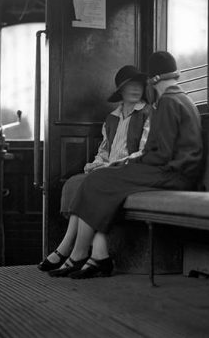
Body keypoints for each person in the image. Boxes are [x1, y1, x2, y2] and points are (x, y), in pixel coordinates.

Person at [49, 51, 203, 279]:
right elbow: (162, 151)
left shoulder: (168, 103)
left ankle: (82, 255)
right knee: (99, 180)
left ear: (153, 80)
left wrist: (130, 163)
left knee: (99, 181)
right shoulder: (180, 99)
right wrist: (128, 163)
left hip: (172, 174)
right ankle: (95, 255)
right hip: (174, 171)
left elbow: (160, 154)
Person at [38, 65, 152, 272]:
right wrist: (98, 164)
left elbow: (144, 151)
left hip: (131, 169)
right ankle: (70, 248)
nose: (136, 89)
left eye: (139, 85)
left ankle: (68, 250)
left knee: (91, 183)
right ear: (121, 91)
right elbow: (104, 150)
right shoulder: (112, 118)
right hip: (109, 169)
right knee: (75, 182)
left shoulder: (147, 113)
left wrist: (114, 165)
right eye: (130, 85)